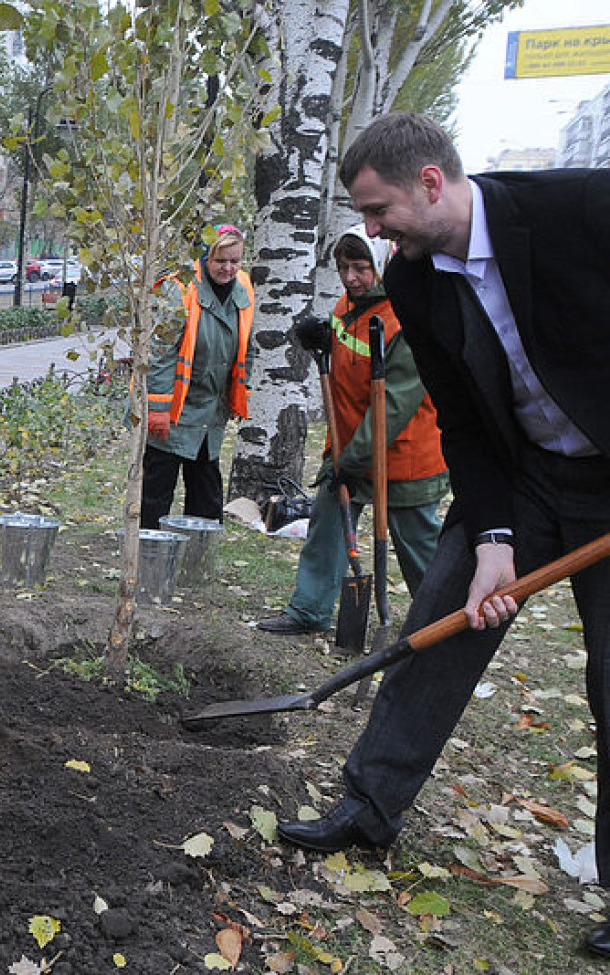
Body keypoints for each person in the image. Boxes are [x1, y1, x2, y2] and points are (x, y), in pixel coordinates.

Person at [274, 112, 610, 960]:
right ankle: (368, 807)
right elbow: (462, 417)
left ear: (431, 182)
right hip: (525, 475)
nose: (374, 230)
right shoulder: (416, 280)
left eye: (379, 210)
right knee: (437, 626)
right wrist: (493, 534)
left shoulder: (580, 208)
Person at [257, 226, 447, 636]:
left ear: (382, 263)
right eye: (343, 267)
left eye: (361, 268)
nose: (350, 278)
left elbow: (393, 407)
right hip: (347, 445)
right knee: (326, 524)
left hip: (403, 456)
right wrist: (324, 338)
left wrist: (353, 459)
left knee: (419, 548)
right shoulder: (351, 303)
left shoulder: (407, 320)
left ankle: (445, 625)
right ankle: (309, 610)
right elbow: (347, 351)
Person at [141, 224, 255, 528]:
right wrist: (158, 408)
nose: (228, 268)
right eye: (220, 261)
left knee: (206, 494)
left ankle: (196, 558)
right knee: (156, 493)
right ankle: (149, 557)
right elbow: (160, 353)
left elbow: (246, 345)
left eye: (235, 261)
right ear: (205, 258)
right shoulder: (178, 288)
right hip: (172, 411)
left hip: (208, 411)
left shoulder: (243, 287)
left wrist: (240, 393)